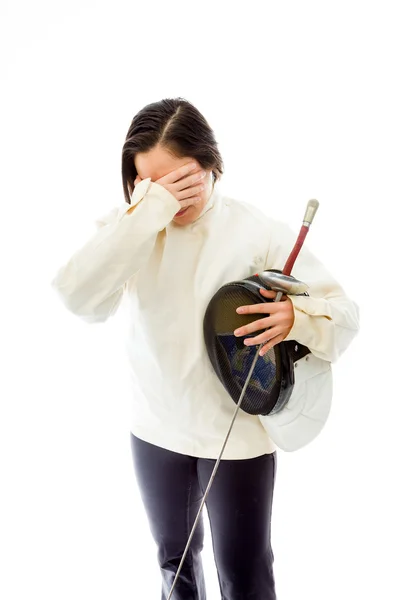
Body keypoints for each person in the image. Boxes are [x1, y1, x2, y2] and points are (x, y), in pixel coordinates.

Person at [51, 97, 359, 600]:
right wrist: (146, 211)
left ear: (213, 164)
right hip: (154, 429)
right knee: (175, 565)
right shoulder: (132, 229)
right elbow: (78, 298)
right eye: (151, 183)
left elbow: (345, 315)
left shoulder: (256, 231)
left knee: (244, 571)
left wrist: (295, 318)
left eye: (182, 180)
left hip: (235, 439)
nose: (170, 197)